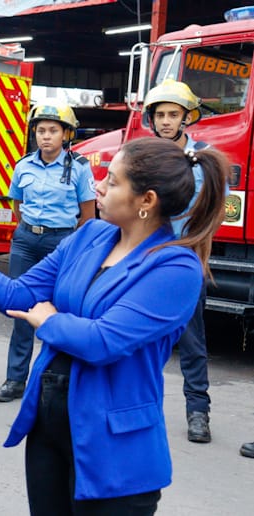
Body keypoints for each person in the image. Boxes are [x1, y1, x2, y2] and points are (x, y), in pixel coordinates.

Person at [0, 136, 229, 514]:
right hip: (50, 428)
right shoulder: (91, 236)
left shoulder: (176, 268)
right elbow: (16, 296)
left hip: (115, 451)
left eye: (113, 180)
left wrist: (50, 320)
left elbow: (103, 341)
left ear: (147, 201)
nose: (98, 186)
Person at [0, 99, 96, 403]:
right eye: (40, 130)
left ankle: (55, 382)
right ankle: (15, 380)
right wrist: (32, 228)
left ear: (66, 134)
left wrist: (69, 246)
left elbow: (87, 216)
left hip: (61, 244)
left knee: (60, 311)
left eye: (53, 130)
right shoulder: (23, 165)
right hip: (26, 241)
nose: (46, 136)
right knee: (21, 310)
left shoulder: (78, 168)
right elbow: (17, 205)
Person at [144, 79, 213, 443]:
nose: (167, 121)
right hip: (147, 261)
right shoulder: (143, 157)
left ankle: (198, 411)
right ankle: (137, 408)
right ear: (151, 119)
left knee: (191, 340)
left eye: (174, 114)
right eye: (161, 115)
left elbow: (214, 210)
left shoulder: (203, 160)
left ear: (187, 118)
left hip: (186, 262)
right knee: (139, 337)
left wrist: (199, 251)